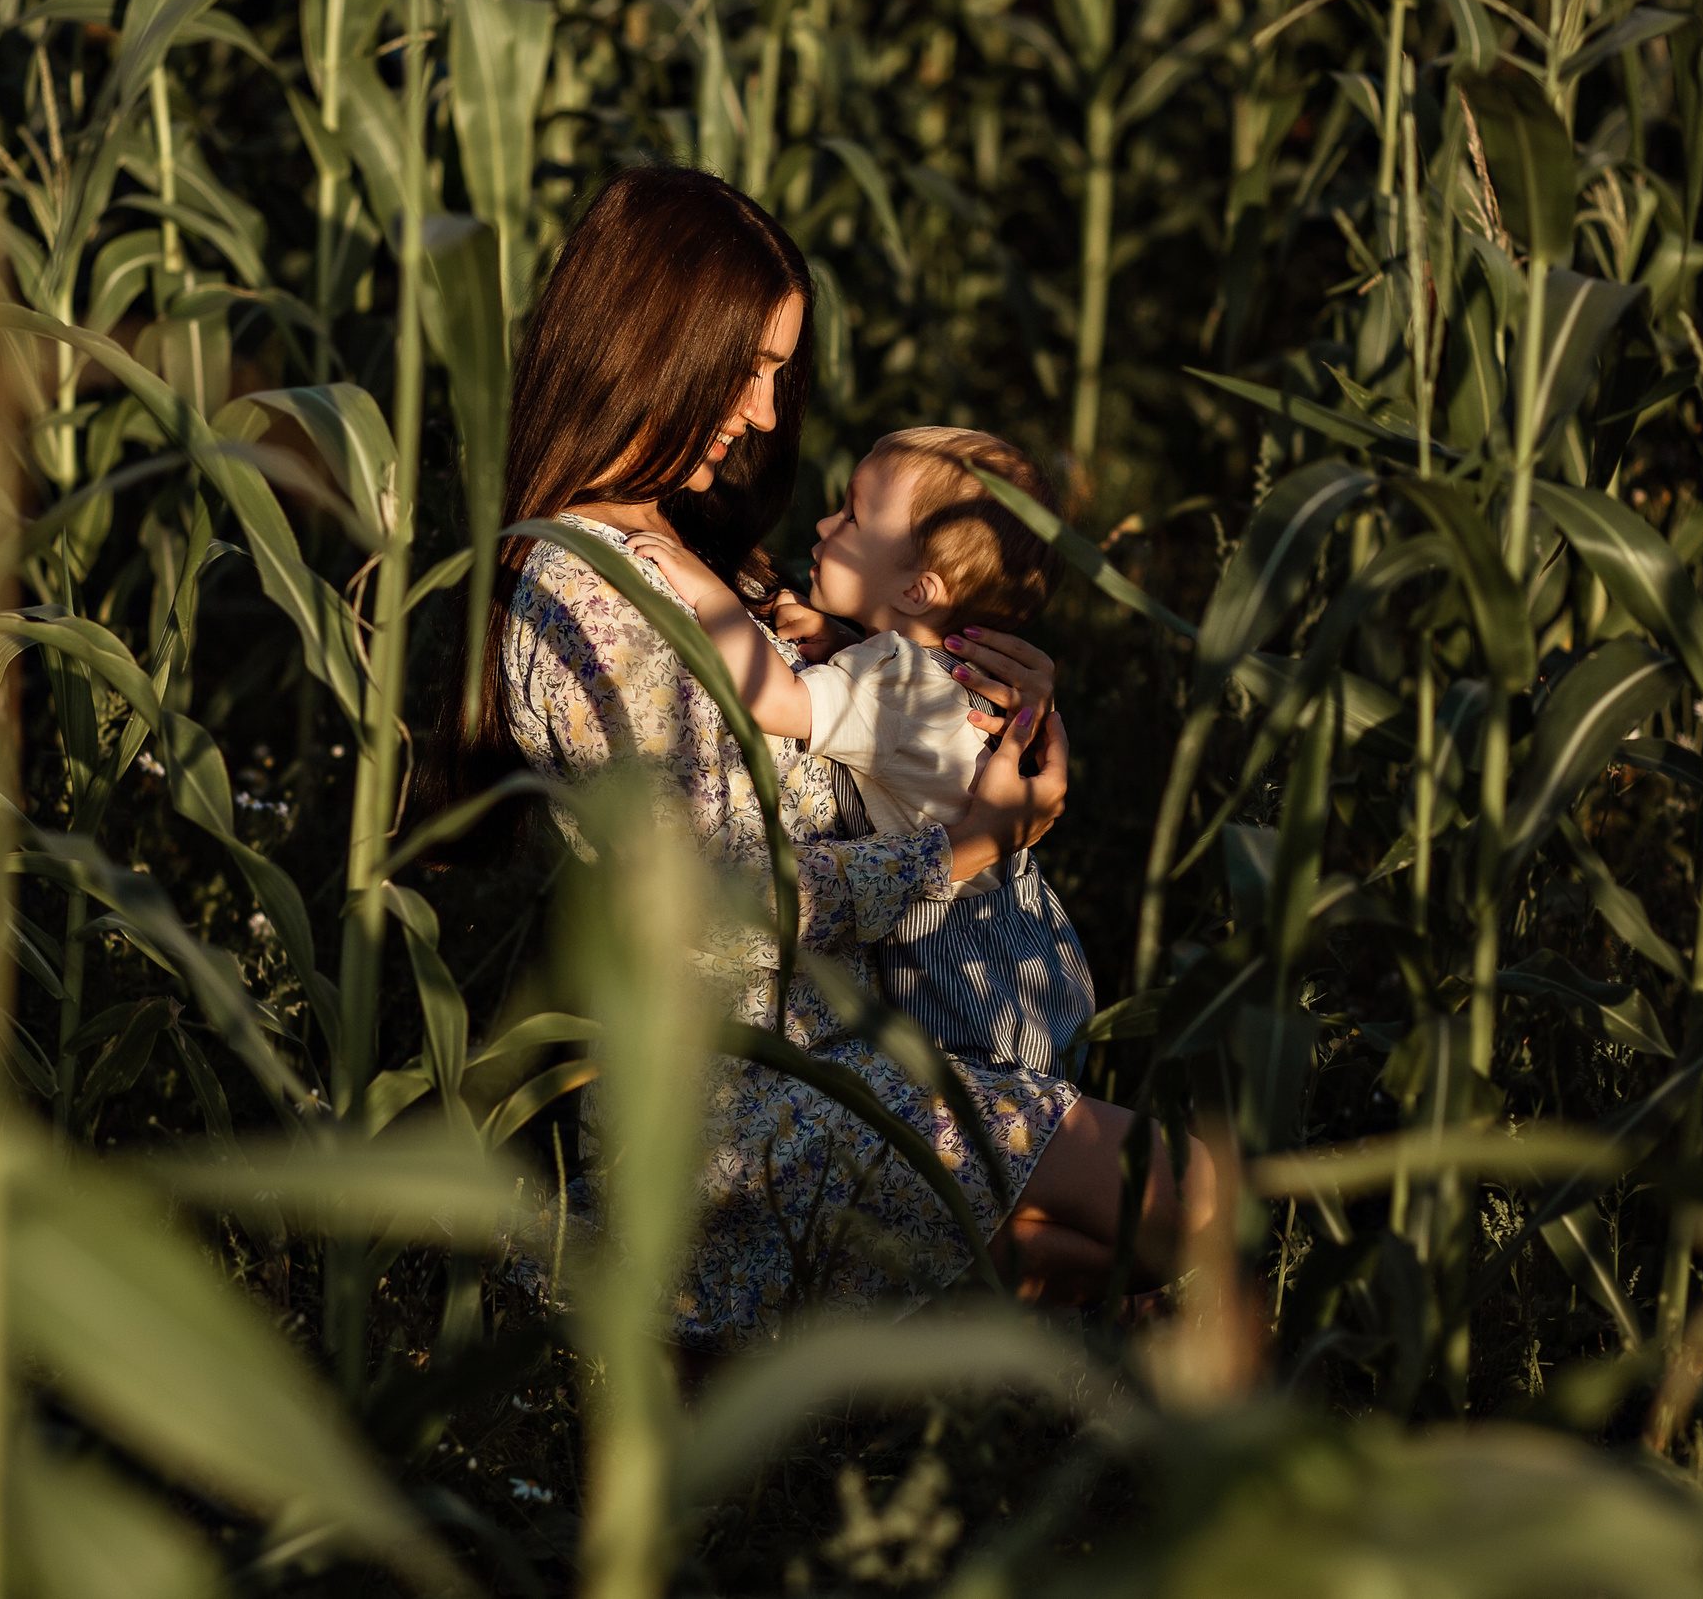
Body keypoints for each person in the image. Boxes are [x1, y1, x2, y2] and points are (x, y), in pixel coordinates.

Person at [453, 163, 1212, 1339]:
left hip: (843, 1066)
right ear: (654, 341)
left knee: (1120, 1294)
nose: (764, 412)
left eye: (775, 373)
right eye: (747, 367)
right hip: (746, 1112)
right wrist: (968, 850)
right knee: (1193, 1205)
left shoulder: (698, 549)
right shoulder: (592, 592)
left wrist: (987, 671)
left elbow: (875, 676)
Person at [624, 426, 1095, 1077]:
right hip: (1018, 935)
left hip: (955, 967)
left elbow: (774, 698)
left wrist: (708, 593)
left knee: (961, 1127)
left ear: (917, 591)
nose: (823, 522)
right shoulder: (932, 677)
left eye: (851, 515)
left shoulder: (895, 682)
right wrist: (848, 641)